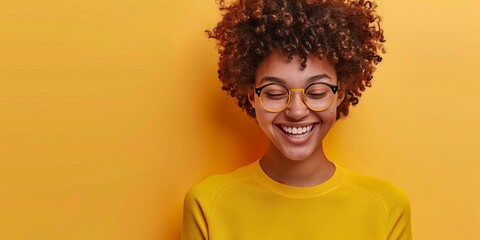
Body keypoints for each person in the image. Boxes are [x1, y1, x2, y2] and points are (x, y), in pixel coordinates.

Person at [183, 0, 412, 239]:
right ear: (252, 96)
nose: (296, 111)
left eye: (316, 92)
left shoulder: (386, 207)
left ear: (340, 94)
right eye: (274, 92)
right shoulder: (207, 205)